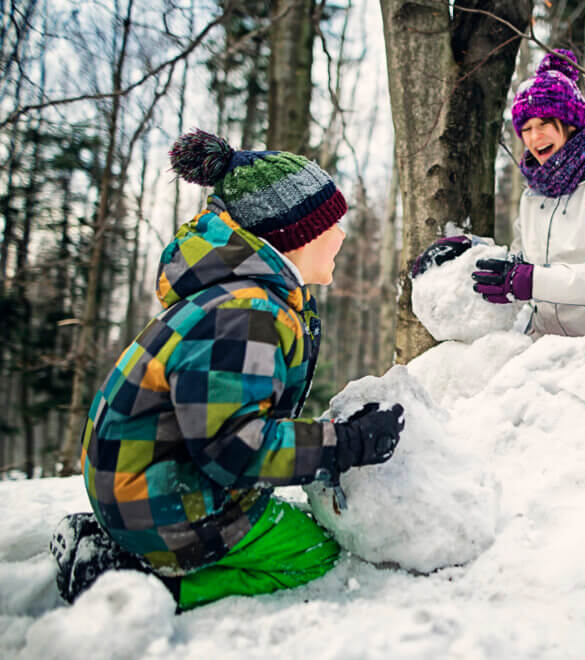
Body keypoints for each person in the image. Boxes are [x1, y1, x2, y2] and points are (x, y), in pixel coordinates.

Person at [50, 130, 404, 611]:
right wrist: (346, 444)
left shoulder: (240, 299)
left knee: (285, 519)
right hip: (159, 500)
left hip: (144, 485)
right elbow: (236, 449)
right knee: (312, 552)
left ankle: (120, 543)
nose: (341, 236)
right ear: (294, 235)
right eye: (330, 225)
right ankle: (125, 581)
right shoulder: (245, 312)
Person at [412, 49, 585, 343]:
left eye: (544, 125)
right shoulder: (535, 195)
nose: (534, 138)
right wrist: (470, 252)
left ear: (571, 123)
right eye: (525, 129)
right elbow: (522, 261)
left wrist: (532, 281)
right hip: (545, 352)